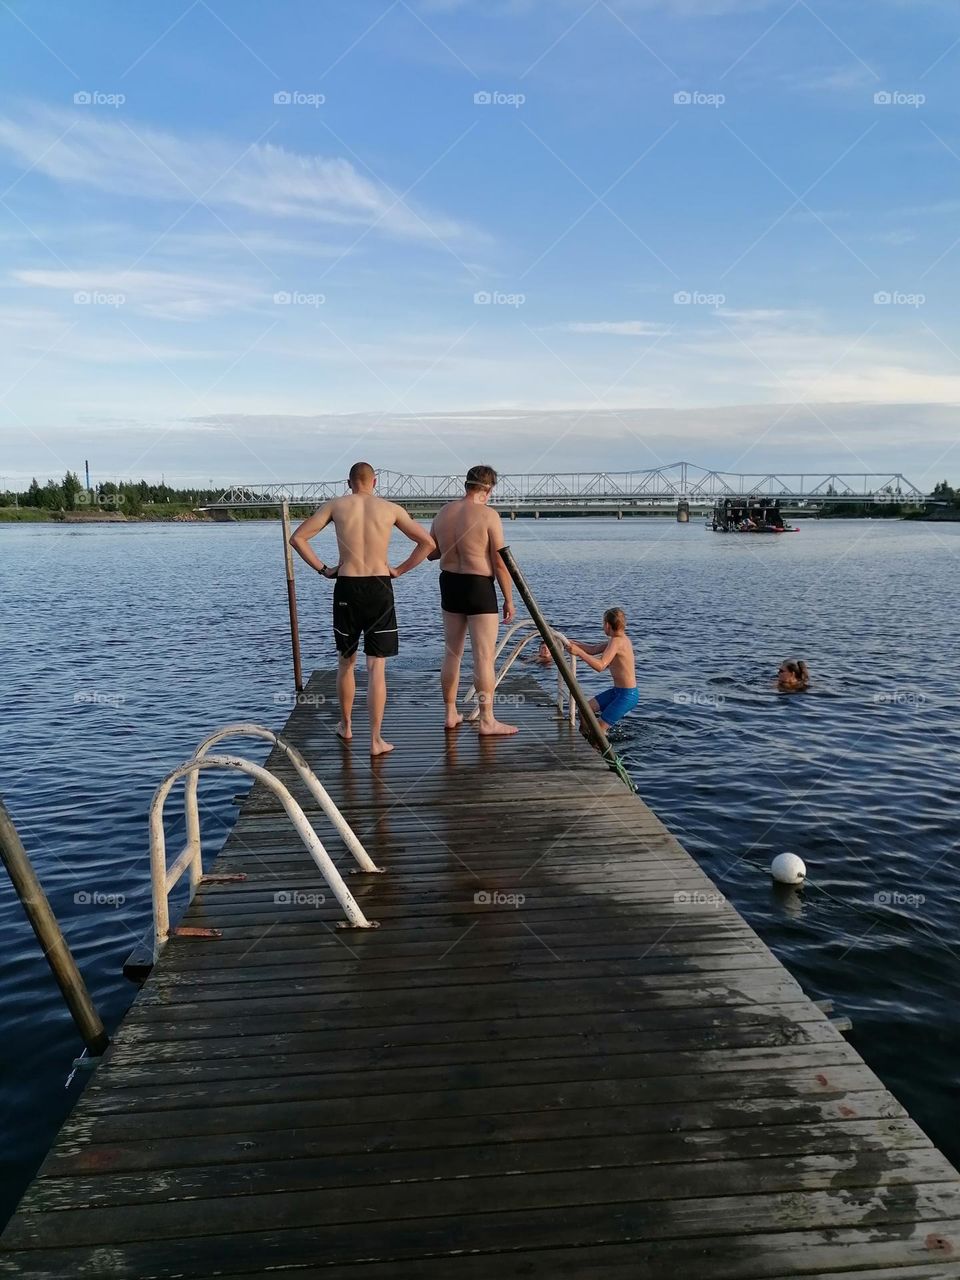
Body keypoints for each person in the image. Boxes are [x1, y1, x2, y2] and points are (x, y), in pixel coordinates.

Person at [290, 461, 435, 756]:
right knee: (376, 667)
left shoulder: (336, 506)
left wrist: (324, 569)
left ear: (349, 483)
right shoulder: (391, 509)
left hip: (347, 586)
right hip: (380, 586)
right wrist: (399, 569)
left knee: (346, 662)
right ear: (375, 482)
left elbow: (297, 538)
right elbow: (427, 543)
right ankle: (376, 740)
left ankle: (346, 726)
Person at [429, 464, 518, 736]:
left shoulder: (444, 512)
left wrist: (452, 545)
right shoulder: (489, 515)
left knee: (452, 653)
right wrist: (508, 598)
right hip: (478, 586)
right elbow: (500, 563)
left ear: (467, 485)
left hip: (450, 583)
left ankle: (450, 713)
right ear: (488, 489)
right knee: (483, 656)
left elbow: (431, 552)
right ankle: (487, 720)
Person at [562, 607, 638, 733]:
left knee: (598, 729)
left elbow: (600, 666)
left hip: (627, 696)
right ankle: (586, 737)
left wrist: (579, 652)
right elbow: (593, 649)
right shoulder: (618, 639)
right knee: (584, 711)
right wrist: (571, 643)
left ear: (607, 625)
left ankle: (595, 741)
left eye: (603, 624)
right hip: (617, 692)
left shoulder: (617, 642)